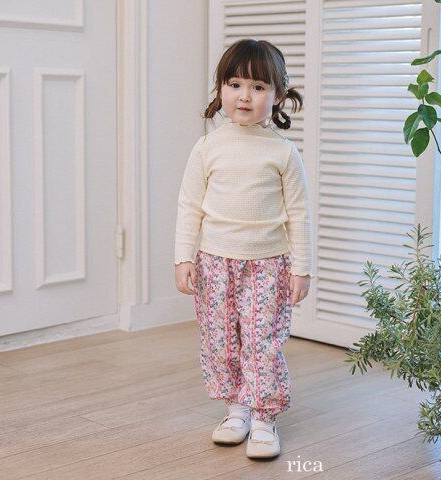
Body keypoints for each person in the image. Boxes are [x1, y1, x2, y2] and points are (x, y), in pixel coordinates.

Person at [173, 38, 313, 459]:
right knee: (220, 339)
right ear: (221, 90)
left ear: (278, 95)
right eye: (234, 84)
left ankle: (264, 418)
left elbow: (299, 214)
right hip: (214, 263)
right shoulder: (207, 147)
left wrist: (302, 268)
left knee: (261, 341)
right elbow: (189, 206)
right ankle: (236, 410)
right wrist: (183, 257)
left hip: (268, 265)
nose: (244, 96)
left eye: (257, 86)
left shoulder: (283, 153)